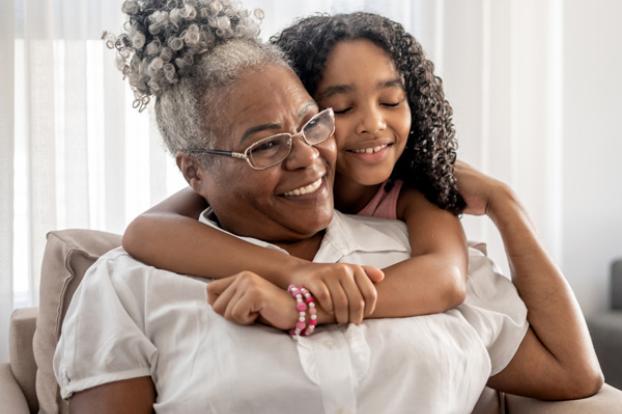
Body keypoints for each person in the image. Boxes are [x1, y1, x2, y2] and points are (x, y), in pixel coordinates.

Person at [53, 1, 602, 413]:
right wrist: (300, 276)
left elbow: (572, 374)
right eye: (265, 145)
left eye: (313, 123)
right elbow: (145, 232)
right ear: (195, 172)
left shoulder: (416, 234)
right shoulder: (128, 285)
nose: (308, 159)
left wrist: (507, 205)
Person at [121, 12, 470, 322]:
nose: (373, 125)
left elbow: (446, 277)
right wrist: (295, 272)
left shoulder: (411, 190)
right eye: (343, 108)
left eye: (391, 101)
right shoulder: (246, 183)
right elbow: (145, 231)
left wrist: (306, 307)